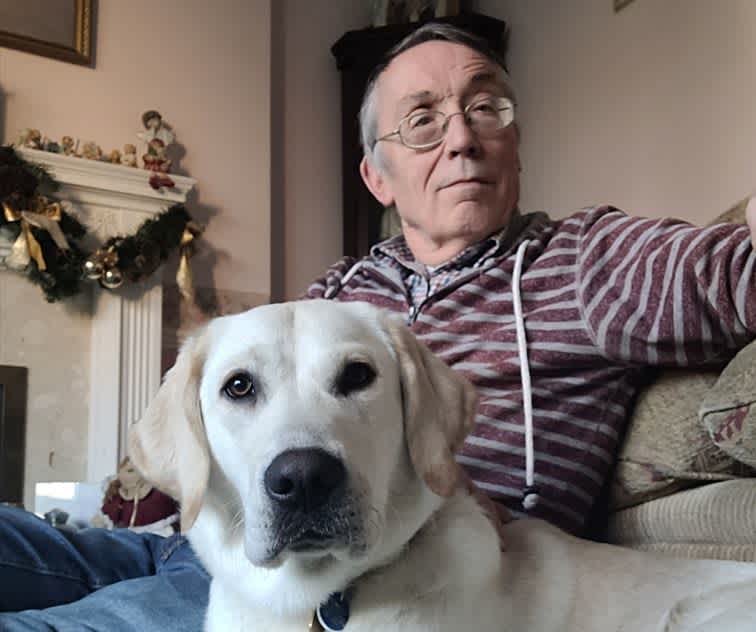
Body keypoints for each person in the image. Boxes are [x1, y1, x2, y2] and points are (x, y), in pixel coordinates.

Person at [2, 22, 755, 631]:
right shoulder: (342, 289)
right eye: (423, 122)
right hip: (196, 549)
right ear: (377, 175)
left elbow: (732, 270)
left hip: (349, 580)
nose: (461, 138)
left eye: (486, 107)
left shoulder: (587, 261)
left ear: (515, 139)